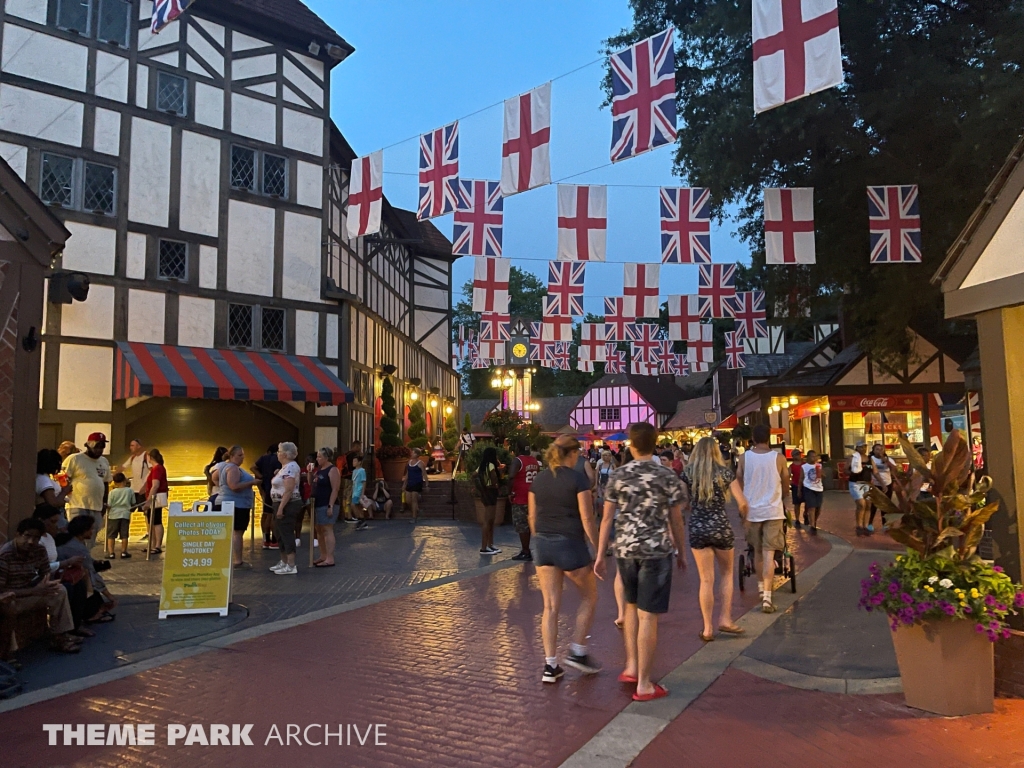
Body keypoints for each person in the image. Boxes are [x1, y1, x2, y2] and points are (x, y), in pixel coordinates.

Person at [596, 422, 687, 702]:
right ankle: (645, 684)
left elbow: (607, 517)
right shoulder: (667, 475)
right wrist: (681, 551)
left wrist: (600, 554)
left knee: (631, 608)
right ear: (655, 443)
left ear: (631, 445)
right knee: (649, 615)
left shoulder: (619, 475)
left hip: (625, 549)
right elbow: (676, 518)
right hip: (656, 551)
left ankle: (632, 666)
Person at [529, 436, 601, 683]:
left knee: (549, 606)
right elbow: (587, 518)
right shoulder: (577, 478)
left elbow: (532, 516)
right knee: (589, 596)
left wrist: (539, 539)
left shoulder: (539, 479)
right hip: (569, 543)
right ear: (572, 454)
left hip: (543, 544)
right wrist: (598, 546)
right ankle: (578, 650)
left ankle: (550, 665)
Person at [682, 436, 749, 642]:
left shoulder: (688, 474)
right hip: (720, 526)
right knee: (727, 574)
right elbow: (743, 503)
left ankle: (707, 628)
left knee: (706, 579)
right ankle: (726, 619)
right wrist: (743, 519)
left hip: (698, 527)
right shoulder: (725, 473)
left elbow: (684, 503)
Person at [0, 518, 80, 654]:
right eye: (27, 536)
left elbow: (45, 574)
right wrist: (34, 590)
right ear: (18, 535)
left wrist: (47, 584)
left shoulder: (39, 550)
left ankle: (59, 637)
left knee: (59, 591)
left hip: (32, 592)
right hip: (12, 597)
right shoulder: (5, 555)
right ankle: (8, 653)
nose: (31, 542)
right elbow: (2, 591)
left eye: (36, 538)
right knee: (8, 604)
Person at [736, 424, 790, 614]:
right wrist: (781, 497)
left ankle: (760, 588)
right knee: (769, 554)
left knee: (756, 552)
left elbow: (739, 480)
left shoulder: (744, 458)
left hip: (752, 512)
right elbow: (785, 484)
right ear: (769, 438)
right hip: (773, 511)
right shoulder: (779, 458)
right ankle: (768, 598)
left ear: (752, 438)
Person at [57, 515, 117, 625]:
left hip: (65, 573)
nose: (93, 531)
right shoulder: (76, 547)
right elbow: (91, 573)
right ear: (83, 531)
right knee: (90, 584)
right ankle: (91, 614)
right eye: (91, 529)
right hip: (66, 576)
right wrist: (109, 595)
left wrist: (93, 562)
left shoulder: (71, 540)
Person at [61, 432, 112, 549]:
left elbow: (105, 482)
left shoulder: (104, 461)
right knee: (76, 536)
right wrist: (65, 495)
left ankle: (85, 558)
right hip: (77, 504)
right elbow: (63, 478)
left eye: (102, 446)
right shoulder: (75, 459)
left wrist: (104, 503)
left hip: (96, 507)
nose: (99, 449)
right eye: (97, 446)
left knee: (91, 538)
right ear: (88, 445)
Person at [219, 445, 258, 570]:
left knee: (235, 532)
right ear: (231, 456)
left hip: (234, 503)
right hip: (237, 504)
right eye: (239, 455)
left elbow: (215, 479)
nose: (242, 458)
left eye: (243, 455)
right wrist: (252, 482)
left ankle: (235, 559)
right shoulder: (232, 468)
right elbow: (234, 486)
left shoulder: (224, 467)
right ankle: (238, 560)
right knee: (237, 533)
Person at [270, 442, 303, 575]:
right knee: (279, 532)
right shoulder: (284, 468)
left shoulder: (290, 467)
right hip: (278, 502)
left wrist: (281, 508)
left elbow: (288, 490)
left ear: (284, 454)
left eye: (279, 451)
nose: (277, 454)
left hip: (287, 504)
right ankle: (283, 561)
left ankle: (291, 564)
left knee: (286, 532)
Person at [507, 440, 539, 562]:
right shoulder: (534, 461)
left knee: (522, 526)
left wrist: (509, 492)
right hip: (532, 496)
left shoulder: (518, 460)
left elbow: (511, 476)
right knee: (529, 524)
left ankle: (526, 551)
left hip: (520, 497)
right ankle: (527, 549)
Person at [310, 448, 341, 566]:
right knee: (319, 530)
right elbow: (311, 483)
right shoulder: (318, 470)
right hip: (317, 503)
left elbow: (335, 489)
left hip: (326, 502)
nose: (317, 459)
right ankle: (323, 555)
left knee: (327, 529)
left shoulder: (332, 470)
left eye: (320, 457)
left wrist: (330, 505)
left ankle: (330, 557)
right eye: (317, 457)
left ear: (326, 458)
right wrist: (309, 472)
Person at [253, 444, 282, 549]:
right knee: (274, 515)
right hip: (276, 489)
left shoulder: (263, 458)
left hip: (265, 488)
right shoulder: (279, 459)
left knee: (266, 514)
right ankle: (274, 540)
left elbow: (252, 467)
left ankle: (266, 540)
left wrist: (261, 476)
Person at [476, 447, 502, 555]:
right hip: (491, 492)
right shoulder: (491, 466)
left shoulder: (482, 466)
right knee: (489, 520)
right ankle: (484, 547)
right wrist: (495, 483)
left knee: (490, 519)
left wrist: (481, 485)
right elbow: (495, 477)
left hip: (485, 492)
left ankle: (489, 545)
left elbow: (474, 475)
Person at [141, 449, 168, 555]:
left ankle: (157, 545)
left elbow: (155, 485)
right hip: (153, 497)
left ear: (150, 458)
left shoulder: (157, 469)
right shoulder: (155, 469)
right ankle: (152, 545)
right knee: (151, 521)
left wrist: (148, 500)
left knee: (156, 520)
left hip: (156, 498)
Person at [105, 473, 135, 559]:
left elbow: (109, 504)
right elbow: (133, 502)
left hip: (113, 515)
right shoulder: (130, 491)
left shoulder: (112, 492)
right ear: (124, 480)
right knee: (124, 535)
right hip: (125, 514)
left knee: (111, 535)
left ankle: (111, 553)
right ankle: (124, 552)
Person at [36, 448, 72, 520]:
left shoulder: (44, 478)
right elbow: (53, 503)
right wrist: (65, 491)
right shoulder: (43, 479)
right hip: (52, 516)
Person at [868, 443, 897, 531]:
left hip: (888, 483)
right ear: (873, 451)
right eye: (877, 449)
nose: (879, 451)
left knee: (885, 504)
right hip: (876, 484)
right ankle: (870, 523)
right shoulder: (871, 459)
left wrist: (886, 460)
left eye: (881, 449)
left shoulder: (888, 459)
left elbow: (895, 470)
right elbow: (873, 472)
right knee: (874, 504)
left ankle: (885, 524)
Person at [848, 442, 872, 536]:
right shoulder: (852, 458)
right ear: (857, 448)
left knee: (868, 505)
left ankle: (865, 526)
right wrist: (853, 473)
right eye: (861, 447)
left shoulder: (869, 459)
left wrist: (882, 483)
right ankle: (859, 526)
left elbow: (875, 471)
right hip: (856, 484)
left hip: (867, 484)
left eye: (865, 446)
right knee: (861, 504)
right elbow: (846, 469)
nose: (863, 448)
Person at [120, 438, 150, 506]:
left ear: (139, 446)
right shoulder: (133, 457)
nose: (130, 447)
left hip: (143, 489)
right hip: (133, 489)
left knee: (144, 510)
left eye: (132, 445)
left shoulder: (146, 456)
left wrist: (145, 486)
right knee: (129, 508)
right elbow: (123, 467)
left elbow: (152, 471)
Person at [339, 441, 363, 523]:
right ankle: (349, 516)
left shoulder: (347, 454)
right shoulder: (354, 455)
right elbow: (356, 466)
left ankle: (346, 514)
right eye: (359, 446)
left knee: (345, 497)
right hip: (351, 478)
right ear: (356, 446)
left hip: (345, 477)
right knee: (349, 497)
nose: (360, 448)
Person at [802, 450, 824, 533]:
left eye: (815, 456)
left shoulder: (819, 465)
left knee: (818, 508)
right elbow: (801, 478)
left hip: (819, 488)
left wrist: (820, 472)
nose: (814, 458)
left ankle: (814, 521)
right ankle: (812, 526)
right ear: (808, 457)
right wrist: (799, 490)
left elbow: (823, 476)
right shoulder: (804, 467)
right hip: (808, 488)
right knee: (812, 507)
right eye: (812, 456)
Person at [402, 448, 427, 524]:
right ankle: (416, 510)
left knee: (414, 500)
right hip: (410, 483)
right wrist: (404, 484)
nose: (411, 454)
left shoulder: (420, 463)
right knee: (407, 500)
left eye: (413, 453)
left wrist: (427, 484)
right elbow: (407, 474)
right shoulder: (409, 462)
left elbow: (424, 473)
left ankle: (414, 517)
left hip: (417, 483)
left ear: (417, 454)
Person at [350, 455, 371, 530]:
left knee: (353, 505)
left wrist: (362, 493)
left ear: (359, 462)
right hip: (354, 491)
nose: (353, 462)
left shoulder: (362, 471)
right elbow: (353, 482)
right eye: (353, 461)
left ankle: (359, 519)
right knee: (358, 507)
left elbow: (364, 482)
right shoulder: (354, 471)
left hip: (358, 491)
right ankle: (362, 521)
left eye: (355, 461)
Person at [789, 449, 805, 529]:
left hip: (805, 485)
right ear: (793, 456)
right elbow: (788, 475)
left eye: (799, 454)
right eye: (797, 454)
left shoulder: (804, 464)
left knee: (808, 502)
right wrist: (790, 481)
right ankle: (797, 519)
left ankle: (806, 514)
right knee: (797, 504)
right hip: (795, 485)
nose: (799, 456)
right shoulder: (792, 466)